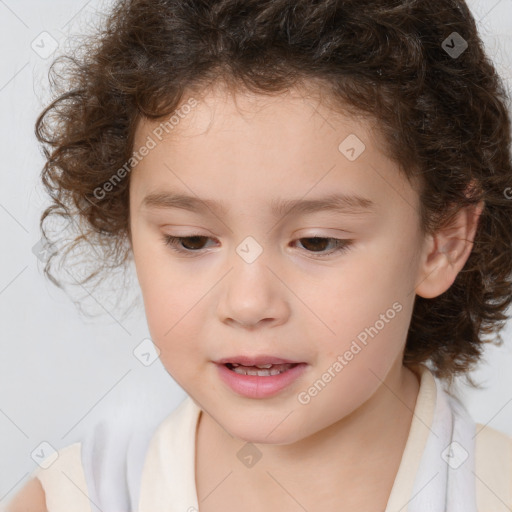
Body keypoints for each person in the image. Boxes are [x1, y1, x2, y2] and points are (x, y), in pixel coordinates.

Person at [4, 0, 512, 511]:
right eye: (191, 240)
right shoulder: (74, 499)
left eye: (317, 242)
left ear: (442, 241)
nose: (248, 304)